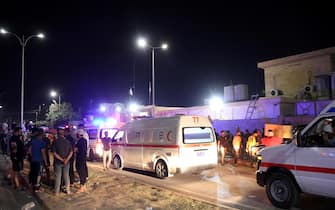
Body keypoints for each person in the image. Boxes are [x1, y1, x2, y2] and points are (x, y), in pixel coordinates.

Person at [52, 127, 73, 195]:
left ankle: (57, 192)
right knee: (66, 176)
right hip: (66, 162)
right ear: (63, 134)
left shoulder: (55, 142)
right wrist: (66, 160)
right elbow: (71, 152)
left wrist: (61, 159)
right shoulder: (68, 141)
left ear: (57, 134)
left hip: (58, 162)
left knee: (58, 177)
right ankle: (68, 190)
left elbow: (54, 153)